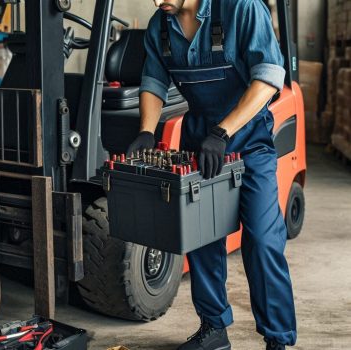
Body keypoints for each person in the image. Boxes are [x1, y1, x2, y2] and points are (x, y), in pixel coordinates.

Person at [126, 0, 297, 349]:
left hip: (249, 140)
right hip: (200, 141)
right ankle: (214, 329)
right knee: (202, 237)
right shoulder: (162, 25)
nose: (158, 2)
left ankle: (278, 339)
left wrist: (223, 132)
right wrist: (146, 131)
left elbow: (268, 78)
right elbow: (154, 80)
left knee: (264, 240)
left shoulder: (243, 8)